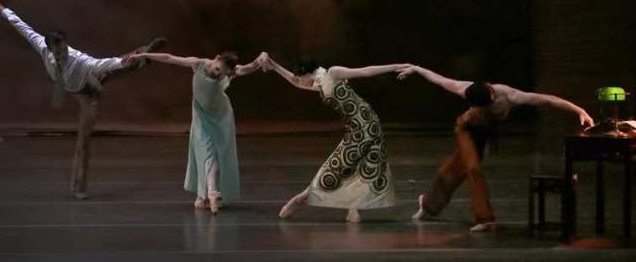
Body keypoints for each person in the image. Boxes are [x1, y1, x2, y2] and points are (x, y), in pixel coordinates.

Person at [0, 0, 167, 199]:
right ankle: (140, 56)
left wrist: (121, 63)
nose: (63, 54)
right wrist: (4, 11)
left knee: (115, 68)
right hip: (81, 89)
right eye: (58, 52)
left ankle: (142, 54)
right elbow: (23, 27)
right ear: (49, 49)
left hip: (90, 92)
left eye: (64, 49)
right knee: (84, 139)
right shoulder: (42, 46)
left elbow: (102, 63)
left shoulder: (78, 59)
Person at [397, 65, 595, 231]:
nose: (480, 111)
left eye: (483, 108)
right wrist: (416, 69)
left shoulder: (511, 96)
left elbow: (548, 99)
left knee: (452, 171)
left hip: (482, 134)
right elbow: (438, 79)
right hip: (465, 129)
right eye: (477, 108)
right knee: (473, 169)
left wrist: (579, 110)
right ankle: (485, 219)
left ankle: (427, 203)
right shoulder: (463, 88)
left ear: (492, 98)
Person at [260, 52, 409, 223]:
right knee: (351, 165)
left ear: (307, 73)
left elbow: (365, 71)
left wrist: (396, 66)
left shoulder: (333, 73)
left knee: (335, 167)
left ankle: (299, 199)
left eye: (301, 77)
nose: (300, 81)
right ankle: (352, 209)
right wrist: (274, 65)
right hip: (357, 127)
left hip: (366, 125)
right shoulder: (321, 82)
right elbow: (296, 82)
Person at [126, 50, 264, 214]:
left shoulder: (229, 72)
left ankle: (210, 194)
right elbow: (170, 58)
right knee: (206, 152)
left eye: (222, 73)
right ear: (216, 58)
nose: (217, 74)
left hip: (220, 117)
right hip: (201, 117)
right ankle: (207, 195)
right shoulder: (198, 64)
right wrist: (143, 55)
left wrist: (260, 59)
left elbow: (248, 68)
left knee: (214, 153)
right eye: (217, 69)